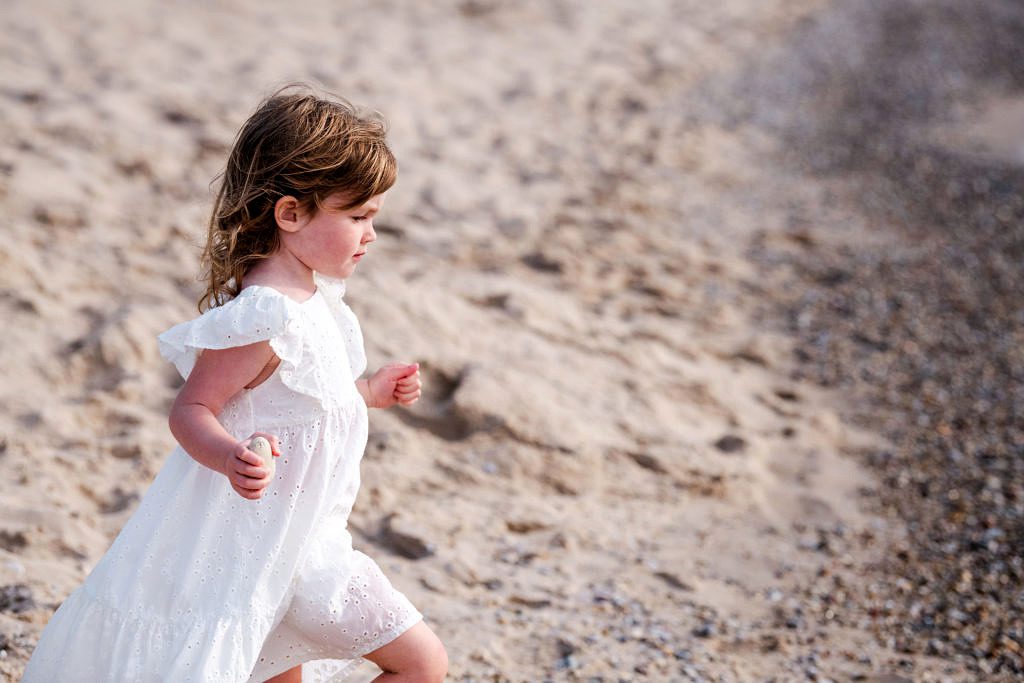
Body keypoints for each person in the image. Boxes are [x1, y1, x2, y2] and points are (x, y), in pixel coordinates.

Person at [21, 83, 449, 683]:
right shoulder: (262, 317)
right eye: (358, 217)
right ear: (291, 213)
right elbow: (192, 409)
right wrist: (230, 456)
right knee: (421, 664)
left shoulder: (319, 300)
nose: (371, 235)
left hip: (309, 548)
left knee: (405, 663)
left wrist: (370, 393)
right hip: (250, 556)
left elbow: (303, 405)